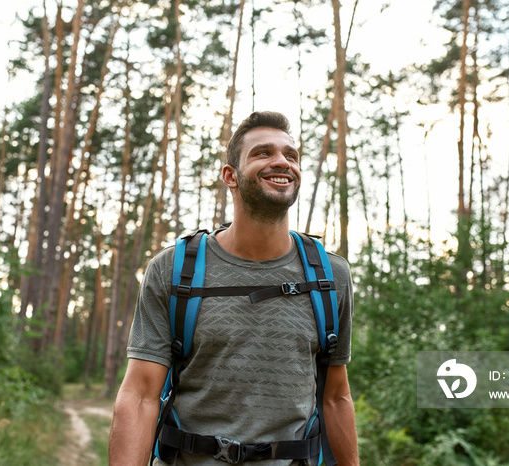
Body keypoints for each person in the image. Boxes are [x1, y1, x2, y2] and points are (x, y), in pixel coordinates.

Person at [109, 111, 359, 465]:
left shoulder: (331, 276)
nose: (281, 162)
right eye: (263, 153)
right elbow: (140, 395)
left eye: (291, 155)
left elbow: (336, 397)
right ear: (231, 176)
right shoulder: (174, 270)